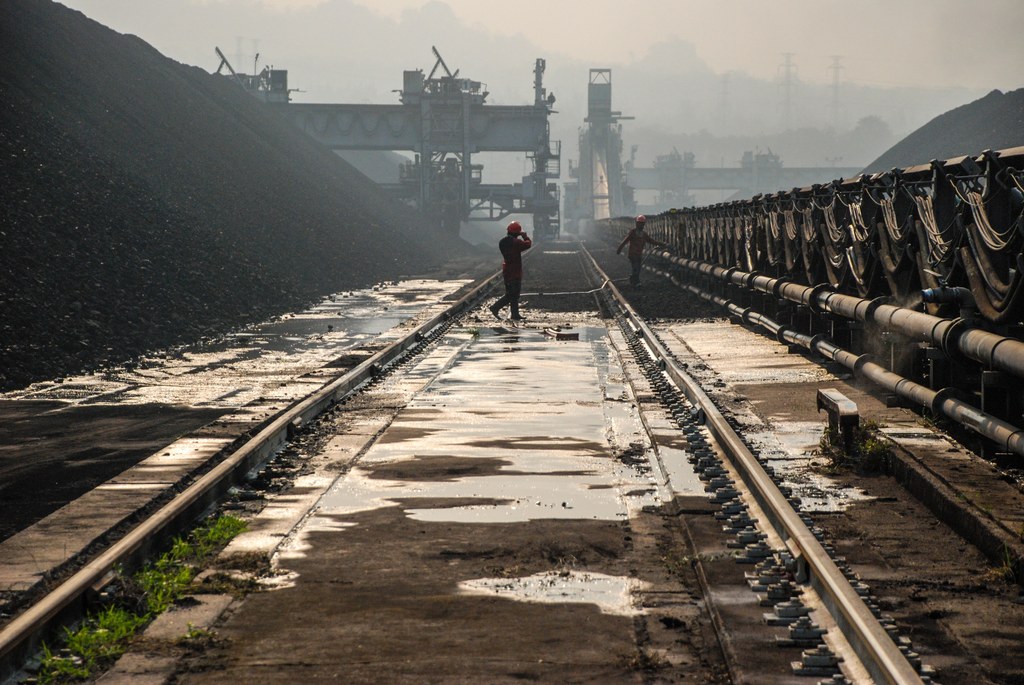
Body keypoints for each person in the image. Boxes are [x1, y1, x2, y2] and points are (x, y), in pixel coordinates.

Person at [490, 220, 533, 320]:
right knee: (513, 293)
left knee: (510, 292)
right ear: (517, 233)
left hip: (507, 269)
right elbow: (528, 244)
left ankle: (515, 314)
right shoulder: (516, 242)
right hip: (515, 271)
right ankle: (495, 307)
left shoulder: (502, 242)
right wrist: (525, 236)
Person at [616, 215, 666, 286]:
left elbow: (651, 241)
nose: (641, 225)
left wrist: (661, 244)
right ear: (636, 223)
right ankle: (636, 282)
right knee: (636, 268)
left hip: (639, 255)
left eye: (642, 223)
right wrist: (619, 249)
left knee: (638, 269)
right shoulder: (633, 232)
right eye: (639, 223)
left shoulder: (644, 235)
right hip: (632, 255)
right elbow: (625, 241)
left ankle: (633, 280)